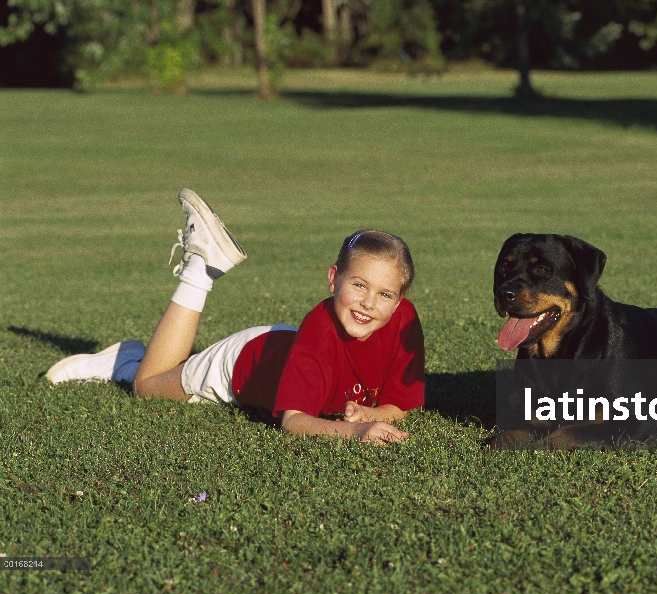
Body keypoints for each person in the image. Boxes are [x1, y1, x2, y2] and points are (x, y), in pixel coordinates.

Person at [46, 189, 424, 445]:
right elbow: (293, 422)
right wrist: (355, 432)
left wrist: (371, 413)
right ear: (332, 278)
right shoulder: (320, 334)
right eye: (358, 285)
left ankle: (135, 356)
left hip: (285, 349)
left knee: (166, 374)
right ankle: (200, 268)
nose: (369, 303)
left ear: (399, 301)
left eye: (385, 294)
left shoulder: (403, 322)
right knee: (147, 387)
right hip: (241, 363)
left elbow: (400, 404)